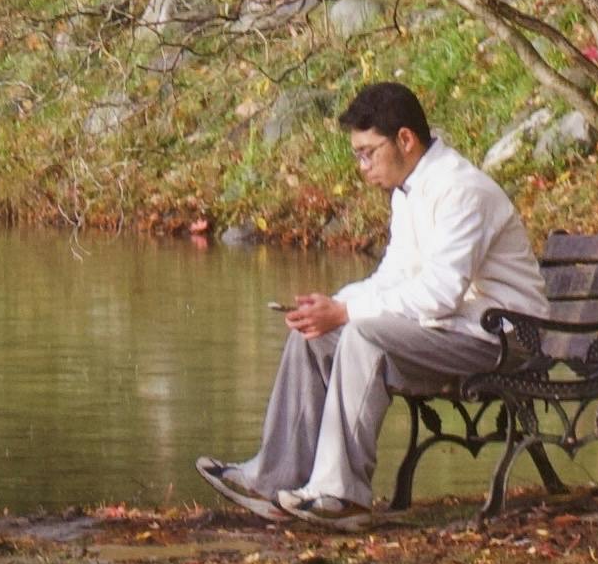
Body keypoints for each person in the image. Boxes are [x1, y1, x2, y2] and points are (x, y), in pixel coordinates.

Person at [199, 79, 550, 525]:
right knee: (317, 336)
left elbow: (440, 295)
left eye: (368, 152)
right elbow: (394, 277)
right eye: (357, 155)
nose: (362, 166)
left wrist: (348, 313)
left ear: (405, 139)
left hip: (504, 340)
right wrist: (331, 306)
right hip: (454, 331)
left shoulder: (462, 191)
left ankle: (342, 495)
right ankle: (274, 478)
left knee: (363, 332)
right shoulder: (410, 192)